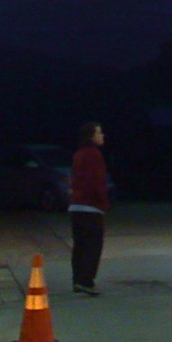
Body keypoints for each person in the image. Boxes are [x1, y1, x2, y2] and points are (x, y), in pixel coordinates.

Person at [69, 121, 109, 295]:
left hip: (75, 206)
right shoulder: (94, 155)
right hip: (91, 207)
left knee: (80, 245)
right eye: (99, 133)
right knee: (93, 245)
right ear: (91, 136)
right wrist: (104, 202)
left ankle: (78, 279)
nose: (102, 136)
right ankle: (86, 281)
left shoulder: (78, 154)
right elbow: (97, 181)